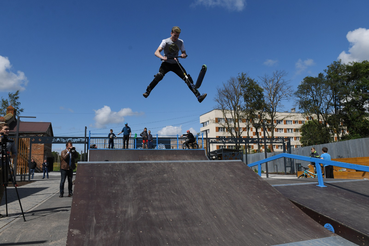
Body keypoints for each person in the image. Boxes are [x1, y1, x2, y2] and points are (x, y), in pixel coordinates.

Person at [143, 26, 207, 103]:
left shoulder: (181, 42)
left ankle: (198, 96)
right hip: (166, 63)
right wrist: (162, 57)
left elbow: (184, 53)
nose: (176, 37)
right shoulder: (165, 41)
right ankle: (148, 91)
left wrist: (183, 55)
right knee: (159, 75)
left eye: (178, 36)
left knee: (187, 78)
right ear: (171, 33)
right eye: (175, 35)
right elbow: (156, 52)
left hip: (175, 64)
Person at [0, 123, 17, 218]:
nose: (7, 130)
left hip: (5, 165)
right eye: (5, 129)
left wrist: (9, 156)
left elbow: (14, 152)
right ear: (1, 130)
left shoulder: (11, 141)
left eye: (8, 129)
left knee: (2, 188)